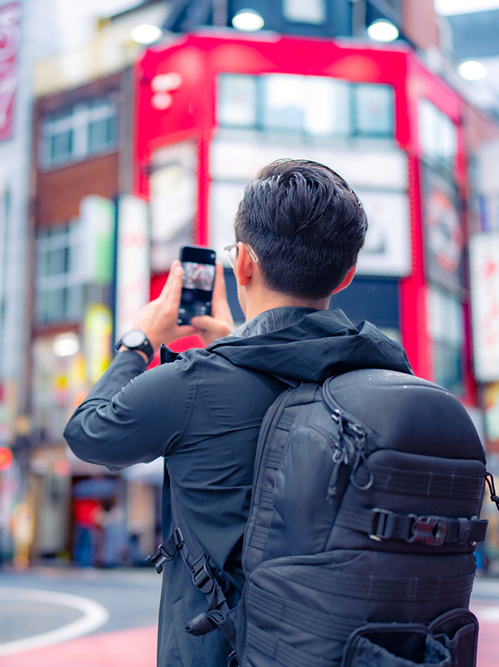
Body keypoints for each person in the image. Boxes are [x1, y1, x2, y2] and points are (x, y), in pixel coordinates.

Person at [64, 159, 413, 666]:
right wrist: (234, 344)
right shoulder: (387, 376)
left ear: (243, 263)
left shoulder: (196, 383)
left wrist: (138, 342)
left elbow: (89, 432)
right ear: (347, 273)